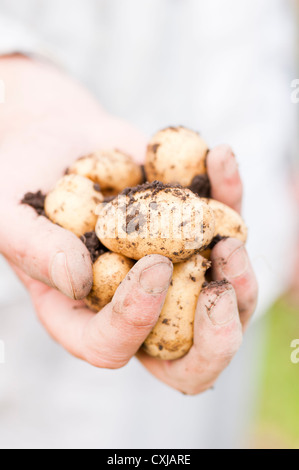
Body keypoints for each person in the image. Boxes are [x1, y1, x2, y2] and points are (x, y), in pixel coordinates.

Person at [0, 0, 296, 449]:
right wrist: (15, 83)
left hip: (243, 113)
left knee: (201, 419)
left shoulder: (202, 219)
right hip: (29, 120)